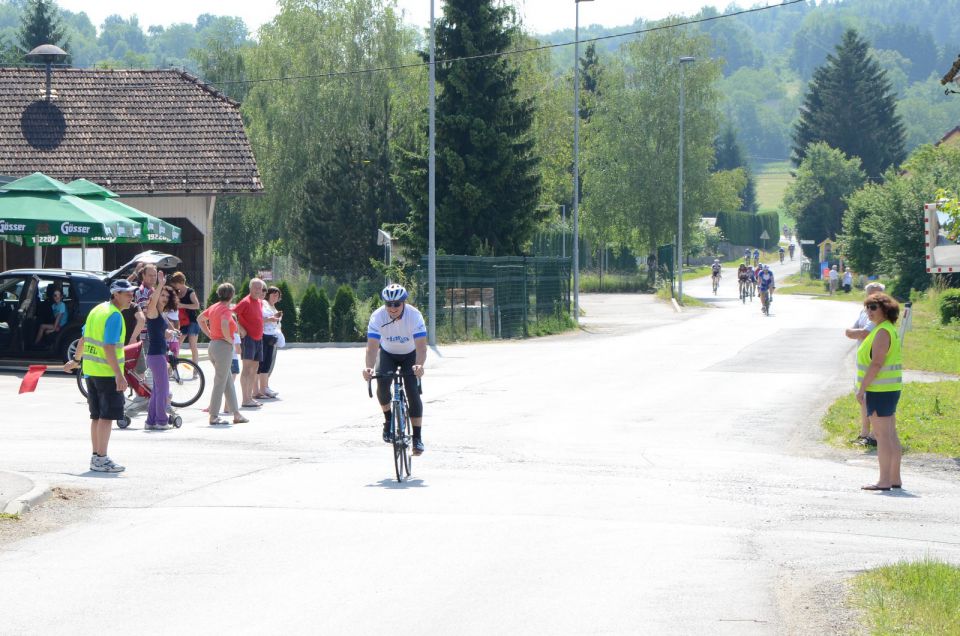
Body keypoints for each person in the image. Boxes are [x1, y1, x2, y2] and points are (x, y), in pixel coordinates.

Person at [63, 279, 136, 473]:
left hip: (91, 372)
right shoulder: (114, 315)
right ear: (115, 294)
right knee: (106, 417)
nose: (131, 296)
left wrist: (76, 361)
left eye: (131, 293)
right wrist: (119, 376)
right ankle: (101, 458)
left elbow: (84, 339)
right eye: (127, 293)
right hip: (106, 373)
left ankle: (96, 457)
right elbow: (109, 346)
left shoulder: (97, 310)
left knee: (96, 417)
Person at [362, 284, 428, 455]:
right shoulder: (377, 317)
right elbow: (372, 348)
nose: (392, 308)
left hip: (410, 354)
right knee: (382, 384)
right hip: (388, 354)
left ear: (404, 303)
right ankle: (388, 420)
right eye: (388, 304)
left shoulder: (415, 316)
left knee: (412, 390)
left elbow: (421, 348)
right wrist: (368, 368)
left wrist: (419, 365)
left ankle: (417, 438)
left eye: (396, 304)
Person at [856, 292, 903, 491]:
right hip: (887, 389)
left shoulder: (882, 331)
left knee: (882, 436)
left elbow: (876, 363)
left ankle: (884, 481)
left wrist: (862, 388)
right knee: (890, 435)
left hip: (880, 389)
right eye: (867, 307)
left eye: (873, 307)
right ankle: (894, 478)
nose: (869, 311)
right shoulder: (883, 328)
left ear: (886, 309)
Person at [197, 283, 248, 426]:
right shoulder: (226, 310)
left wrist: (209, 334)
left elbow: (200, 319)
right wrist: (229, 339)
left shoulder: (214, 307)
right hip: (223, 347)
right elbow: (225, 324)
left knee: (227, 381)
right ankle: (213, 416)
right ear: (232, 295)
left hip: (213, 345)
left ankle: (236, 414)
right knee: (220, 382)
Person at [845, 282, 886, 447]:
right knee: (862, 398)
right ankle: (864, 432)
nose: (872, 298)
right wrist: (852, 332)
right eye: (870, 294)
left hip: (872, 361)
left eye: (876, 294)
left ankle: (874, 435)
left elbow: (863, 332)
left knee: (871, 399)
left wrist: (850, 332)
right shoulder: (864, 311)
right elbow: (855, 330)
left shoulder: (880, 313)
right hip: (862, 363)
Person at [143, 272, 178, 431]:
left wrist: (169, 334)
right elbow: (153, 301)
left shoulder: (162, 315)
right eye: (161, 295)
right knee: (163, 390)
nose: (163, 297)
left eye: (166, 295)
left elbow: (160, 333)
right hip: (156, 355)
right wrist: (160, 285)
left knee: (158, 390)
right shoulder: (152, 312)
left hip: (158, 355)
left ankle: (150, 421)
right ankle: (161, 421)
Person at [234, 278, 267, 407]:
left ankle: (250, 397)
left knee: (255, 369)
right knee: (247, 369)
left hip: (259, 339)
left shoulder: (259, 302)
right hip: (248, 339)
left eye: (260, 288)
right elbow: (231, 315)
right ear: (250, 288)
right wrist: (240, 328)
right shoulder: (245, 302)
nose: (258, 290)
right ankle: (245, 399)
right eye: (256, 287)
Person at [169, 272, 201, 370]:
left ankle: (196, 370)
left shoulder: (190, 292)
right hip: (181, 322)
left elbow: (197, 305)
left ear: (181, 282)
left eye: (175, 283)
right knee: (176, 344)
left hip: (192, 321)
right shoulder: (177, 292)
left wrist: (183, 305)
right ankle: (172, 368)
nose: (174, 285)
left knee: (193, 346)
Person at [256, 286, 283, 400]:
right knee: (261, 364)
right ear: (268, 295)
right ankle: (260, 389)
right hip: (263, 335)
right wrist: (270, 319)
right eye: (273, 294)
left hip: (272, 336)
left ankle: (265, 387)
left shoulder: (273, 307)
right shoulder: (263, 303)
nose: (276, 297)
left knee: (268, 363)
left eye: (278, 295)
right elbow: (258, 319)